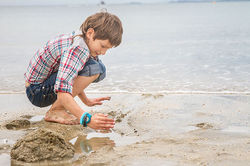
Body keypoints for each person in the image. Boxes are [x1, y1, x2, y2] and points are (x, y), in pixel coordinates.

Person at [24, 12, 123, 131]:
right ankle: (56, 111)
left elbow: (70, 74)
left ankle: (58, 108)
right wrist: (86, 119)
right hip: (37, 92)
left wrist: (85, 100)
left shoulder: (82, 38)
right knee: (95, 68)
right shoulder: (78, 49)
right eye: (103, 46)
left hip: (40, 87)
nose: (104, 52)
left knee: (98, 66)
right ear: (91, 33)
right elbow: (62, 90)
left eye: (107, 49)